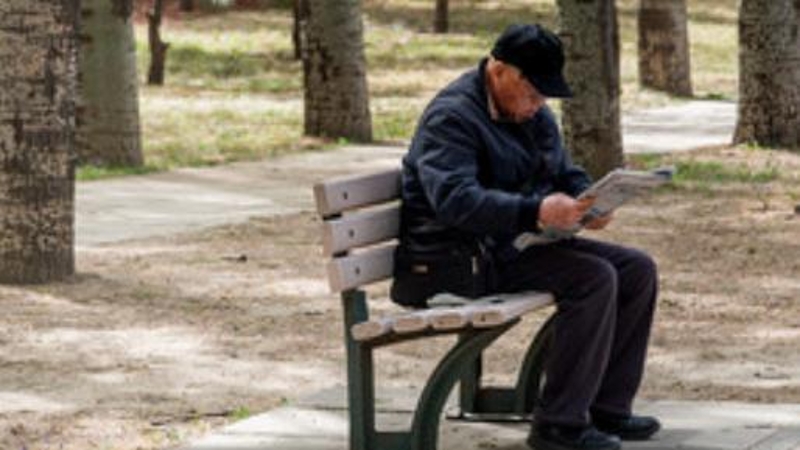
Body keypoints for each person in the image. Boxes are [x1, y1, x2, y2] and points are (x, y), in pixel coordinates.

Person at [390, 23, 661, 450]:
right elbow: (456, 202)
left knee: (637, 269)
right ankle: (558, 426)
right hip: (453, 262)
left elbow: (562, 170)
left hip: (507, 249)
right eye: (533, 93)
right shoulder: (452, 118)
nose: (539, 105)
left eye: (544, 96)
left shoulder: (530, 113)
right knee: (592, 278)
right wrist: (534, 212)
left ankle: (605, 409)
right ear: (499, 70)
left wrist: (589, 201)